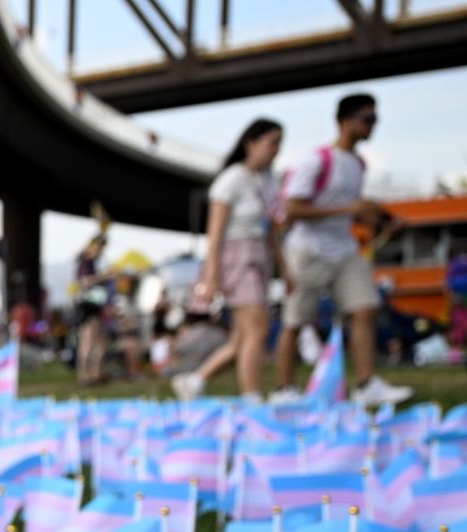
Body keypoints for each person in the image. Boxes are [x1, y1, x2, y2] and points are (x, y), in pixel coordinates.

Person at [271, 93, 410, 406]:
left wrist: (376, 218)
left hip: (344, 248)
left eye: (375, 120)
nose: (373, 126)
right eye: (368, 119)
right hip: (308, 250)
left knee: (365, 308)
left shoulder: (359, 164)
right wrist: (349, 208)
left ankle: (366, 384)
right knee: (295, 320)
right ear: (345, 121)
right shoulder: (317, 160)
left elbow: (349, 210)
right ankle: (284, 390)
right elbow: (290, 210)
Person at [175, 118, 288, 402]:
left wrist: (283, 267)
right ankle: (252, 396)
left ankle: (193, 381)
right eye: (272, 143)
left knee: (242, 337)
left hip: (260, 255)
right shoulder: (231, 179)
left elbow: (272, 229)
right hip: (236, 258)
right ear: (251, 143)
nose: (276, 150)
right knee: (258, 328)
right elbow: (215, 233)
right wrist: (211, 274)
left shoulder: (269, 179)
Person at [72, 233, 111, 385]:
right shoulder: (86, 262)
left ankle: (94, 373)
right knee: (88, 341)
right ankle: (85, 375)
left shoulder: (92, 262)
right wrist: (104, 277)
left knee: (99, 342)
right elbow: (85, 282)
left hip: (95, 306)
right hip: (88, 307)